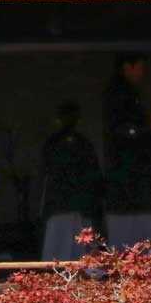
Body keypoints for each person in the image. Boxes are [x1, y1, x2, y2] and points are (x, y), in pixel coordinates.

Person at [101, 53, 151, 252]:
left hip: (129, 180)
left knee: (130, 237)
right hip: (130, 178)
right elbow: (124, 131)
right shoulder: (119, 93)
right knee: (131, 236)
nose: (142, 72)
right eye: (140, 67)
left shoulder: (124, 92)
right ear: (128, 67)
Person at [38, 101, 101, 261]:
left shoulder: (81, 143)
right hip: (62, 204)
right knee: (61, 243)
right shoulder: (55, 144)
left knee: (77, 246)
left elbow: (92, 173)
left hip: (75, 204)